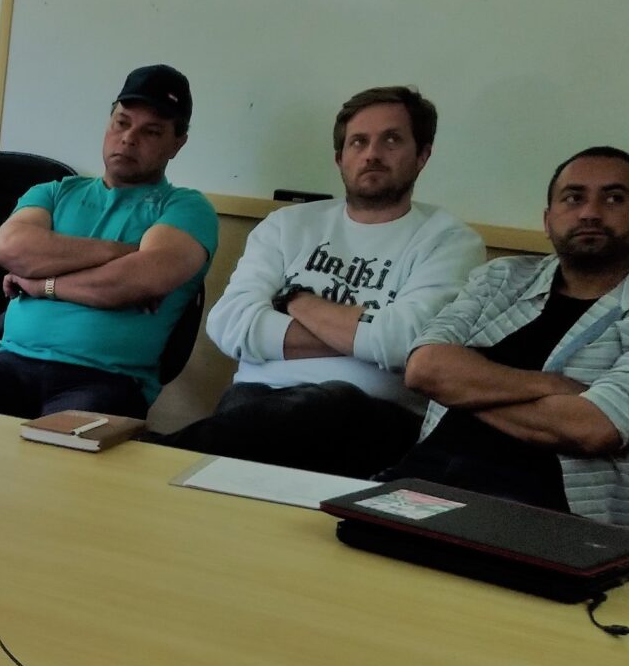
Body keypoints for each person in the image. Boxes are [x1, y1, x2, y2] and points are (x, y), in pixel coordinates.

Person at [386, 148, 629, 537]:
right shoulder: (500, 279)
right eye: (573, 198)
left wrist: (464, 388)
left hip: (557, 516)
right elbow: (424, 369)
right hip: (425, 481)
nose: (590, 212)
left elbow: (592, 428)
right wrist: (552, 387)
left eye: (614, 198)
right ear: (548, 220)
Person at [169, 89, 484, 476]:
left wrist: (297, 301)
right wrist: (363, 338)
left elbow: (407, 342)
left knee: (332, 401)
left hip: (377, 417)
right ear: (340, 158)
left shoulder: (450, 241)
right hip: (255, 401)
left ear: (422, 155)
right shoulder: (287, 226)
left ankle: (159, 455)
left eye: (391, 139)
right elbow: (229, 324)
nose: (372, 154)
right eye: (358, 142)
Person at [0, 64, 219, 419]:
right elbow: (11, 249)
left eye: (152, 131)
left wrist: (39, 284)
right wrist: (123, 251)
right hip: (9, 365)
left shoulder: (185, 208)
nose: (128, 138)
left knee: (55, 463)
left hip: (106, 380)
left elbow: (126, 284)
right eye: (121, 123)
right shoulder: (54, 192)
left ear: (177, 144)